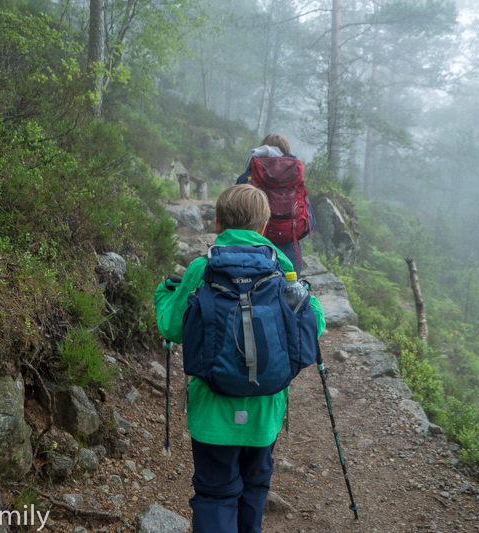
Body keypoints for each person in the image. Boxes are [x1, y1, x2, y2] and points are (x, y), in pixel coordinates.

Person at [155, 184, 326, 533]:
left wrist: (163, 294)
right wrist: (305, 292)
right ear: (264, 227)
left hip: (211, 413)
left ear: (217, 223)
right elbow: (315, 323)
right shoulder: (281, 266)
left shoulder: (202, 268)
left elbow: (173, 327)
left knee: (215, 494)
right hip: (265, 412)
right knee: (254, 488)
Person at [236, 133, 316, 277]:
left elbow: (234, 219)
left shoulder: (247, 178)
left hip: (254, 249)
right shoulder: (295, 179)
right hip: (289, 252)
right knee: (288, 293)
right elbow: (309, 223)